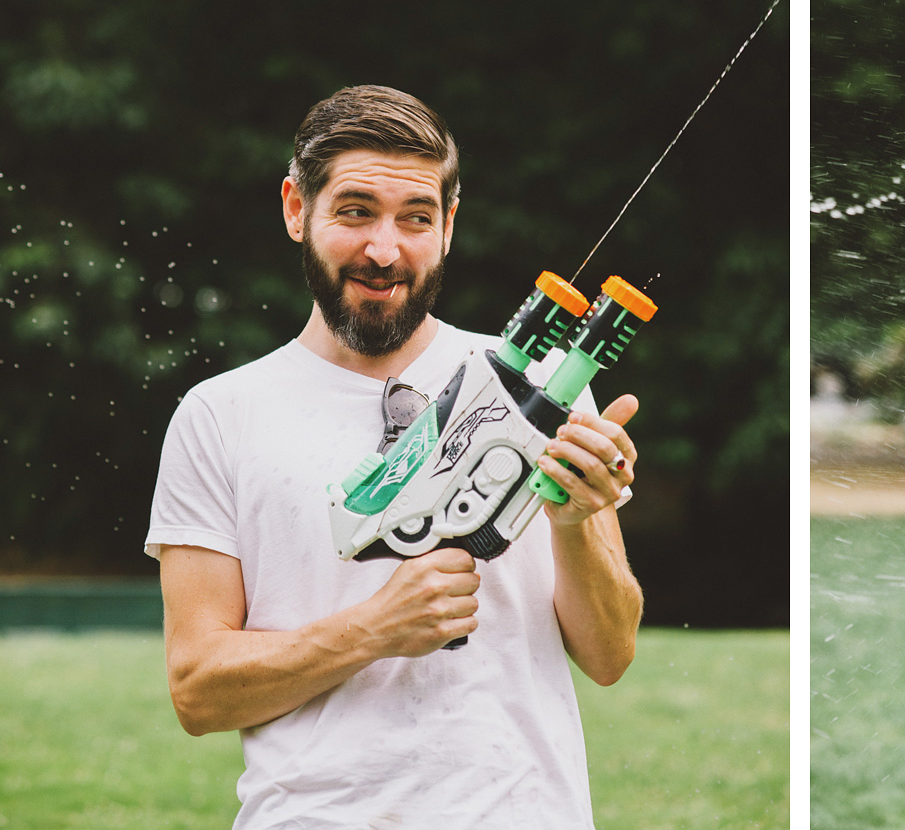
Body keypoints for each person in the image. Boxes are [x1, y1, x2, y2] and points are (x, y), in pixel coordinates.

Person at [146, 85, 642, 829]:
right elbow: (198, 689)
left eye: (415, 218)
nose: (386, 249)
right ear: (295, 208)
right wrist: (374, 627)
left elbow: (609, 654)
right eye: (355, 211)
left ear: (448, 225)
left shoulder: (552, 388)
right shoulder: (219, 416)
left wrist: (579, 519)